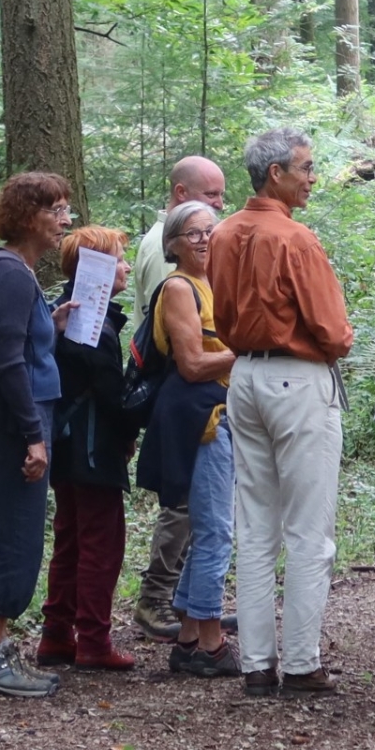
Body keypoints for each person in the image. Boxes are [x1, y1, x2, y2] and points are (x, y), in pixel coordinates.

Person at [208, 128, 354, 696]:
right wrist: (342, 337)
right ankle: (299, 663)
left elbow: (221, 310)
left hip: (243, 376)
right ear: (276, 173)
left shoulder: (222, 234)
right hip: (297, 380)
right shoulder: (296, 239)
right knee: (309, 530)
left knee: (256, 525)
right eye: (306, 168)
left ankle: (255, 665)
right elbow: (331, 330)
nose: (312, 177)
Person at [0, 172, 80, 697]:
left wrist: (47, 326)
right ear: (29, 217)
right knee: (12, 535)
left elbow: (15, 349)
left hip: (16, 417)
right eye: (56, 210)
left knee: (20, 533)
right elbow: (8, 364)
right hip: (13, 423)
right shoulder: (9, 273)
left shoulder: (15, 272)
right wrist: (33, 436)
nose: (65, 221)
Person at [134, 201, 240, 677]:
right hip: (197, 419)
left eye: (209, 232)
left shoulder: (213, 285)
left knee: (210, 528)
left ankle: (189, 636)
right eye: (192, 234)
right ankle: (211, 642)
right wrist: (250, 350)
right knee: (216, 530)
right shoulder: (178, 287)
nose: (203, 240)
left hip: (219, 413)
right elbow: (192, 364)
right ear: (172, 244)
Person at [38, 225, 138, 673]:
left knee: (71, 540)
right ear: (96, 266)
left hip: (66, 447)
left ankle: (57, 636)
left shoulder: (63, 313)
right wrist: (135, 420)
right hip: (91, 451)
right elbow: (110, 395)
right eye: (118, 259)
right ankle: (93, 641)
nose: (126, 266)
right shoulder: (89, 321)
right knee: (101, 543)